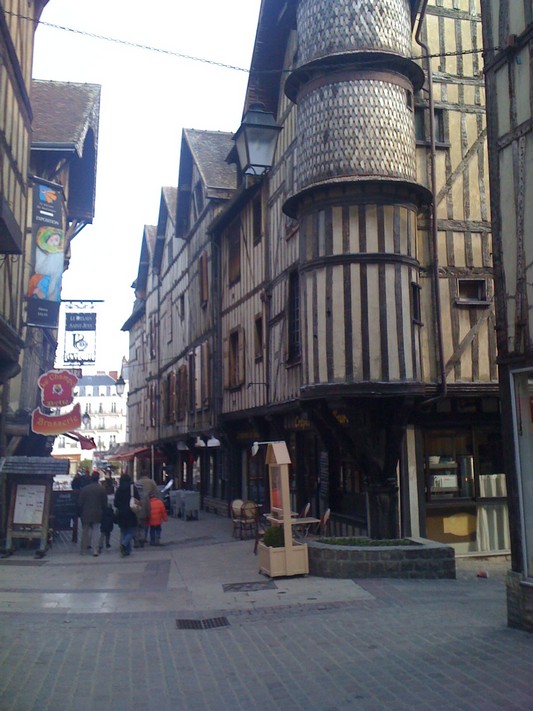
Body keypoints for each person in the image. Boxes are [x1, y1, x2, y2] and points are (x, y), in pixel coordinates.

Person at [78, 471, 107, 556]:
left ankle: (83, 549)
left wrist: (80, 512)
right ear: (98, 479)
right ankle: (95, 550)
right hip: (97, 512)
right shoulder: (101, 489)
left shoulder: (85, 489)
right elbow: (104, 503)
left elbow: (80, 503)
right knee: (96, 531)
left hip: (85, 513)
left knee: (85, 531)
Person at [113, 474, 139, 557]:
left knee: (123, 531)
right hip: (131, 512)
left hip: (121, 513)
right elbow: (137, 499)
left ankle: (126, 550)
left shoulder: (119, 489)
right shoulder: (132, 488)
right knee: (131, 531)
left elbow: (115, 503)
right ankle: (124, 544)